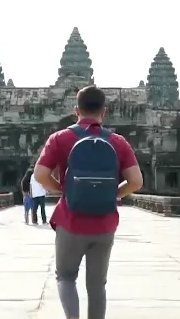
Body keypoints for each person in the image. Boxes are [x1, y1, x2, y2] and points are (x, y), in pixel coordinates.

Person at [34, 85, 143, 319]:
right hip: (104, 223)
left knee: (65, 277)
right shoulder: (118, 141)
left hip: (71, 221)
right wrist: (113, 194)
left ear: (76, 110)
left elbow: (40, 174)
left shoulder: (60, 138)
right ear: (104, 111)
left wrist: (64, 189)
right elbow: (136, 181)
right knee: (97, 286)